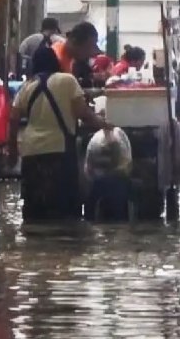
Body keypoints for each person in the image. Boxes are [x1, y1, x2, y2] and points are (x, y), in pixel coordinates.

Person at [9, 45, 113, 222]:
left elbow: (13, 120)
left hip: (31, 153)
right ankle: (63, 239)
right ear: (55, 61)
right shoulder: (67, 81)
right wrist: (104, 125)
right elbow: (83, 113)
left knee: (34, 209)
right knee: (65, 209)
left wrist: (12, 150)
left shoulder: (27, 86)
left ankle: (33, 238)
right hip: (60, 151)